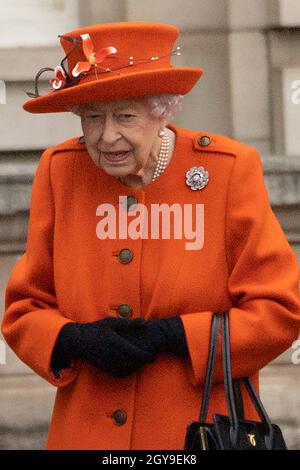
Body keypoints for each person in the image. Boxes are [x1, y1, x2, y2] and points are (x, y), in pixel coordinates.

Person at [1, 21, 300, 451]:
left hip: (199, 434)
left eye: (125, 116)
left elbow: (278, 312)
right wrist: (72, 340)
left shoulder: (227, 170)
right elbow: (25, 309)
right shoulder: (60, 170)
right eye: (92, 117)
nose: (107, 136)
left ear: (162, 111)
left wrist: (176, 336)